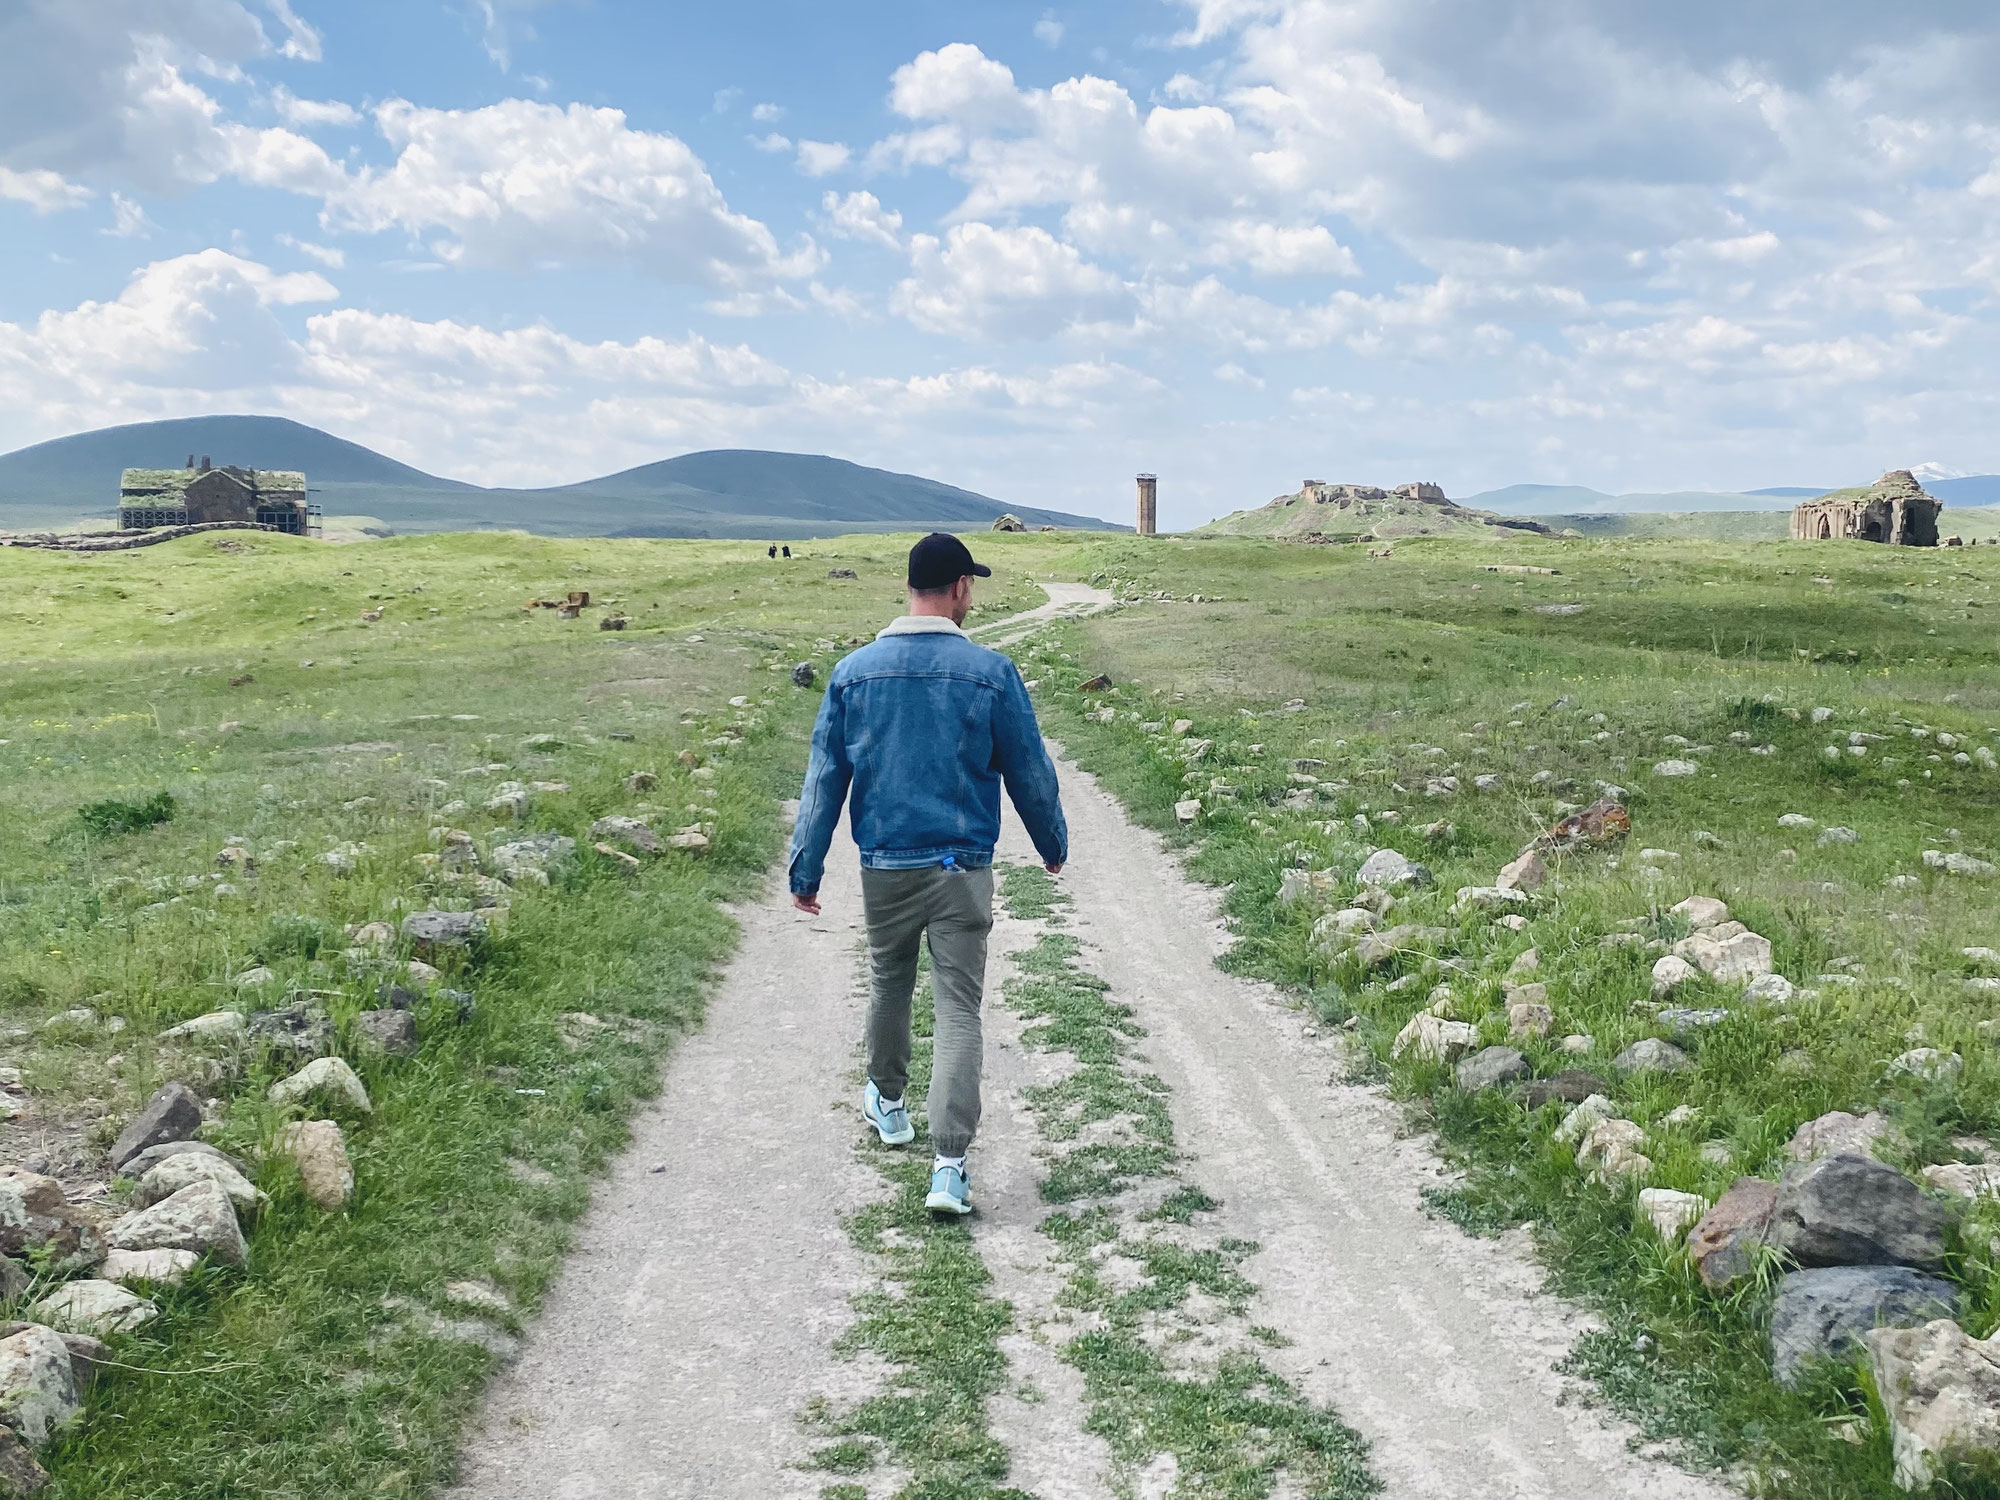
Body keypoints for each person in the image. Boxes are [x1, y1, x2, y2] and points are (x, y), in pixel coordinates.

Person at [789, 532, 1068, 1216]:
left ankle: (887, 1103)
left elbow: (825, 778)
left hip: (886, 863)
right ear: (960, 589)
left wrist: (808, 868)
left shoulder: (854, 672)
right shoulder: (991, 673)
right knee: (958, 1010)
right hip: (961, 866)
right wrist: (1051, 839)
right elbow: (1028, 768)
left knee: (889, 981)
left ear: (911, 589)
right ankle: (948, 1168)